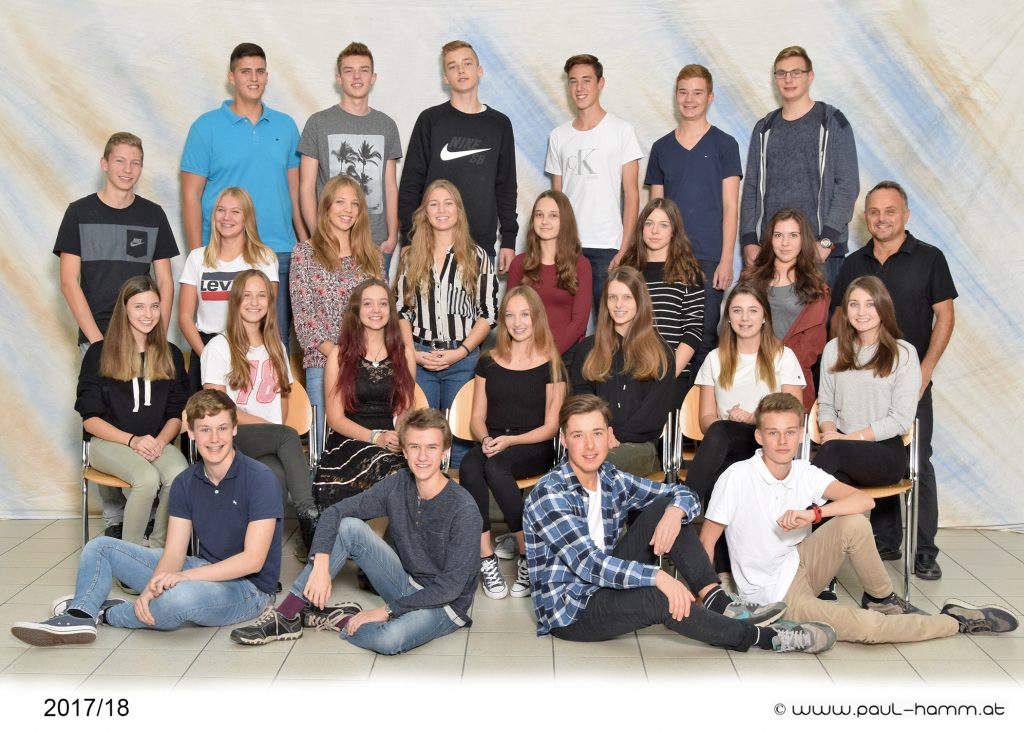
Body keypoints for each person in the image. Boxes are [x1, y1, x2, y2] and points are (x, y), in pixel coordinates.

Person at [522, 394, 835, 654]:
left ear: (609, 435)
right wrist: (658, 577)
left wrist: (674, 513)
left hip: (604, 583)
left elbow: (684, 494)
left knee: (668, 506)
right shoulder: (550, 494)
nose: (590, 445)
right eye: (578, 435)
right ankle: (765, 638)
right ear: (564, 440)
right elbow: (590, 566)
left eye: (597, 433)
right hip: (572, 611)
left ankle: (716, 600)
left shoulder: (610, 478)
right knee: (661, 598)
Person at [699, 393, 1018, 643]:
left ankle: (882, 599)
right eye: (773, 433)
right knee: (869, 630)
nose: (782, 442)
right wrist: (709, 597)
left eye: (790, 432)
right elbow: (708, 539)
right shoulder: (737, 477)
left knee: (853, 521)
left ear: (800, 435)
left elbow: (863, 500)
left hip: (802, 563)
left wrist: (814, 513)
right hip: (776, 594)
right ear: (759, 437)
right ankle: (955, 621)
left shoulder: (804, 472)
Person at [11, 390, 284, 646]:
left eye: (222, 428)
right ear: (191, 432)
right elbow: (174, 553)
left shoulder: (260, 479)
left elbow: (252, 560)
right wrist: (152, 590)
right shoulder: (185, 482)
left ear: (234, 429)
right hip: (202, 567)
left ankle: (108, 614)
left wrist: (183, 578)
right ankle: (80, 615)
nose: (214, 438)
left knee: (178, 598)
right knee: (100, 547)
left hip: (249, 590)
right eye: (205, 429)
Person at [229, 409, 482, 655]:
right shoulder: (398, 483)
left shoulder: (464, 509)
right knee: (349, 526)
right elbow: (335, 512)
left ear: (444, 452)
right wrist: (321, 563)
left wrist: (387, 610)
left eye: (432, 447)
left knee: (389, 638)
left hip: (445, 604)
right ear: (404, 451)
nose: (422, 456)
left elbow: (449, 589)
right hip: (406, 584)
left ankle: (339, 621)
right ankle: (287, 614)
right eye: (415, 446)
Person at [54, 132, 179, 537]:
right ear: (104, 163)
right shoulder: (78, 213)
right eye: (120, 161)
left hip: (144, 333)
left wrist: (157, 336)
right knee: (106, 418)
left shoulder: (152, 215)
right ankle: (116, 521)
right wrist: (98, 342)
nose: (128, 169)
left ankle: (149, 518)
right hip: (99, 337)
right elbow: (69, 282)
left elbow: (165, 282)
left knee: (146, 412)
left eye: (135, 162)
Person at [830, 181, 957, 580]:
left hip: (909, 381)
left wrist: (926, 369)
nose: (881, 218)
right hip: (862, 385)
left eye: (890, 211)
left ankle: (924, 551)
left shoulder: (930, 258)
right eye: (874, 212)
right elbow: (839, 318)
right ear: (865, 217)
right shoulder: (854, 262)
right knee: (873, 454)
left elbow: (945, 316)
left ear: (905, 214)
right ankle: (886, 542)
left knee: (917, 460)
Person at [180, 42, 303, 345]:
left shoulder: (286, 126)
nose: (254, 78)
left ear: (267, 76)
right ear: (231, 77)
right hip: (223, 254)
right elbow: (190, 197)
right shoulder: (205, 128)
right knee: (221, 342)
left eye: (260, 71)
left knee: (273, 345)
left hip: (278, 250)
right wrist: (200, 257)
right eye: (245, 71)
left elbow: (296, 193)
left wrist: (304, 246)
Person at [460, 286, 566, 600]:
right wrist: (486, 438)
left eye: (524, 315)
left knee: (495, 467)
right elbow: (476, 418)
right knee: (469, 466)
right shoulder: (488, 361)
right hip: (494, 441)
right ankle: (486, 558)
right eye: (510, 315)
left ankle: (528, 553)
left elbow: (551, 427)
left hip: (533, 443)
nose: (517, 323)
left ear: (537, 318)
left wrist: (511, 441)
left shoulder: (552, 363)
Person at [200, 269, 316, 551]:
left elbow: (284, 397)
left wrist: (273, 433)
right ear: (236, 301)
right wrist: (274, 431)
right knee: (287, 436)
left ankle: (264, 557)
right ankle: (309, 516)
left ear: (269, 302)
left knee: (275, 476)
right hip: (232, 435)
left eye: (261, 296)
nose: (254, 302)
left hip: (270, 440)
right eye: (247, 296)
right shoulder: (219, 346)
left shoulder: (275, 347)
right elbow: (217, 409)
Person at [74, 275, 188, 547]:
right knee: (146, 479)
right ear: (124, 309)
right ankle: (130, 554)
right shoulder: (99, 354)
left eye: (154, 306)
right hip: (108, 443)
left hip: (155, 442)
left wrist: (160, 442)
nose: (148, 314)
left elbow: (176, 414)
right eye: (139, 306)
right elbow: (90, 420)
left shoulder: (170, 354)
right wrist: (132, 441)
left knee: (179, 475)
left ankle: (158, 551)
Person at [394, 179, 499, 469]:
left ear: (458, 209)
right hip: (420, 356)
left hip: (462, 359)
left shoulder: (478, 257)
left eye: (448, 203)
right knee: (420, 437)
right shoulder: (411, 256)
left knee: (460, 438)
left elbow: (488, 313)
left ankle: (456, 496)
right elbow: (401, 310)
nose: (441, 210)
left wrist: (461, 352)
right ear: (425, 212)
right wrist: (412, 354)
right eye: (434, 204)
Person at [686, 282, 805, 534]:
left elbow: (794, 413)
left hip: (767, 442)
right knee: (721, 448)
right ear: (728, 318)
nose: (744, 318)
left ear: (764, 317)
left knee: (721, 447)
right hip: (725, 442)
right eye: (737, 310)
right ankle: (717, 553)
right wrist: (726, 426)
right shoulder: (715, 358)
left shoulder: (784, 356)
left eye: (753, 310)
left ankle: (683, 505)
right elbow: (706, 418)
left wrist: (754, 418)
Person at [646, 64, 741, 376]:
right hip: (668, 257)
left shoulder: (725, 145)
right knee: (663, 334)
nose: (689, 99)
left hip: (709, 258)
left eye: (697, 93)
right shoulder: (661, 148)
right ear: (676, 96)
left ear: (710, 97)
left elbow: (731, 206)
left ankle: (698, 404)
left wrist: (726, 259)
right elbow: (654, 210)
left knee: (704, 336)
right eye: (683, 92)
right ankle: (665, 399)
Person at [739, 46, 859, 288]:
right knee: (767, 314)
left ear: (810, 76)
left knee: (820, 314)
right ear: (775, 78)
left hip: (819, 252)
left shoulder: (832, 122)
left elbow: (848, 186)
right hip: (771, 252)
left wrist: (826, 241)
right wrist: (749, 239)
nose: (788, 79)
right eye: (782, 73)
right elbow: (751, 187)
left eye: (796, 72)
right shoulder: (764, 128)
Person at [398, 40, 517, 272]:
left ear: (479, 70)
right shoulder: (430, 120)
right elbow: (411, 183)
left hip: (480, 245)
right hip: (430, 244)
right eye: (452, 66)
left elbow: (506, 187)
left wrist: (509, 240)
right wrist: (408, 238)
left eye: (467, 63)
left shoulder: (499, 124)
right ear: (446, 77)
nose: (461, 70)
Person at [546, 54, 643, 311]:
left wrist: (625, 247)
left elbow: (632, 194)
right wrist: (554, 246)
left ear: (600, 83)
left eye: (586, 80)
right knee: (567, 320)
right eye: (573, 81)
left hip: (608, 246)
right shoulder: (558, 136)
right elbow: (557, 200)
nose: (579, 88)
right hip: (569, 246)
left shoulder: (621, 131)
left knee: (609, 321)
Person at [299, 42, 402, 279]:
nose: (357, 77)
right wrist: (318, 237)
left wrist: (392, 235)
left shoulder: (386, 125)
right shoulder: (318, 123)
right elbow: (306, 187)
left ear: (373, 77)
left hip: (375, 242)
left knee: (374, 302)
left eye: (363, 70)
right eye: (349, 71)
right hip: (330, 242)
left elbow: (389, 186)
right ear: (339, 78)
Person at [313, 278, 415, 509]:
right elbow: (335, 419)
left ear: (390, 310)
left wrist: (399, 437)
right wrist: (375, 438)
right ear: (357, 311)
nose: (376, 310)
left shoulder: (405, 354)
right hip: (349, 440)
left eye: (383, 303)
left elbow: (406, 410)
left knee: (413, 477)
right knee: (390, 473)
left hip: (390, 440)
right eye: (368, 304)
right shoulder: (339, 355)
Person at [291, 174, 384, 419]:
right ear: (326, 206)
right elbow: (304, 318)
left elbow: (383, 313)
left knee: (366, 435)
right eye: (340, 202)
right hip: (321, 363)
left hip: (367, 364)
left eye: (354, 204)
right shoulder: (304, 253)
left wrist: (363, 359)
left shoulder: (373, 256)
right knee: (323, 437)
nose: (348, 210)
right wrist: (338, 356)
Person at [571, 267, 675, 476]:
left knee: (593, 466)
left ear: (640, 301)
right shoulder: (588, 349)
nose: (618, 304)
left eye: (627, 297)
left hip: (641, 448)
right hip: (593, 443)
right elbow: (581, 405)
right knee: (567, 471)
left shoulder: (660, 352)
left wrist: (612, 435)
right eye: (612, 297)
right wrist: (600, 435)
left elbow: (652, 417)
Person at [178, 187, 279, 394]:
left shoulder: (264, 258)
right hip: (205, 346)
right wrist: (208, 355)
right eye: (221, 210)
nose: (226, 217)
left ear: (247, 217)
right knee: (204, 413)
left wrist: (244, 354)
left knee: (245, 413)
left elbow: (267, 312)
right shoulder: (197, 258)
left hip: (248, 347)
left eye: (235, 211)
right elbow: (185, 317)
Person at [740, 208, 829, 408]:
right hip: (748, 373)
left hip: (792, 378)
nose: (785, 243)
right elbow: (733, 328)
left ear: (803, 240)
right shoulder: (750, 279)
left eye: (793, 235)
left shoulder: (817, 287)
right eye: (778, 235)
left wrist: (778, 367)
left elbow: (812, 344)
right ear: (770, 239)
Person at [622, 198, 705, 405]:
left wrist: (667, 376)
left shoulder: (689, 273)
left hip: (672, 375)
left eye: (663, 225)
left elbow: (693, 330)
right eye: (649, 224)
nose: (655, 231)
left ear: (674, 231)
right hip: (630, 372)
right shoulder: (628, 271)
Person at [507, 191, 592, 372]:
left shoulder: (581, 265)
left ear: (565, 221)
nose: (545, 221)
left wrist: (547, 356)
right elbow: (509, 316)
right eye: (539, 215)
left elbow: (579, 322)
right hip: (525, 353)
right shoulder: (519, 264)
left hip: (566, 357)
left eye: (553, 215)